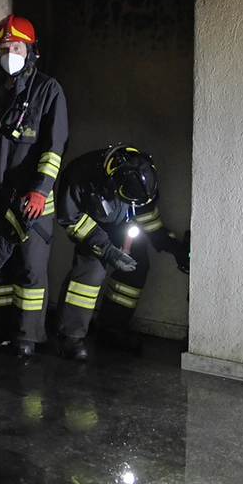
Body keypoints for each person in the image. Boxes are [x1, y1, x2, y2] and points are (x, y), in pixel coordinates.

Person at [0, 14, 68, 359]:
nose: (10, 53)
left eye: (16, 47)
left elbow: (54, 146)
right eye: (4, 48)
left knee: (30, 269)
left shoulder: (48, 91)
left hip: (29, 205)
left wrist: (40, 189)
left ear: (30, 50)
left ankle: (27, 336)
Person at [54, 145, 189, 360]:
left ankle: (112, 328)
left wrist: (175, 248)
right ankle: (70, 337)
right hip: (91, 229)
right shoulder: (80, 173)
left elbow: (149, 221)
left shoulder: (141, 181)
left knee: (138, 266)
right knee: (90, 274)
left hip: (122, 227)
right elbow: (70, 219)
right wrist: (107, 250)